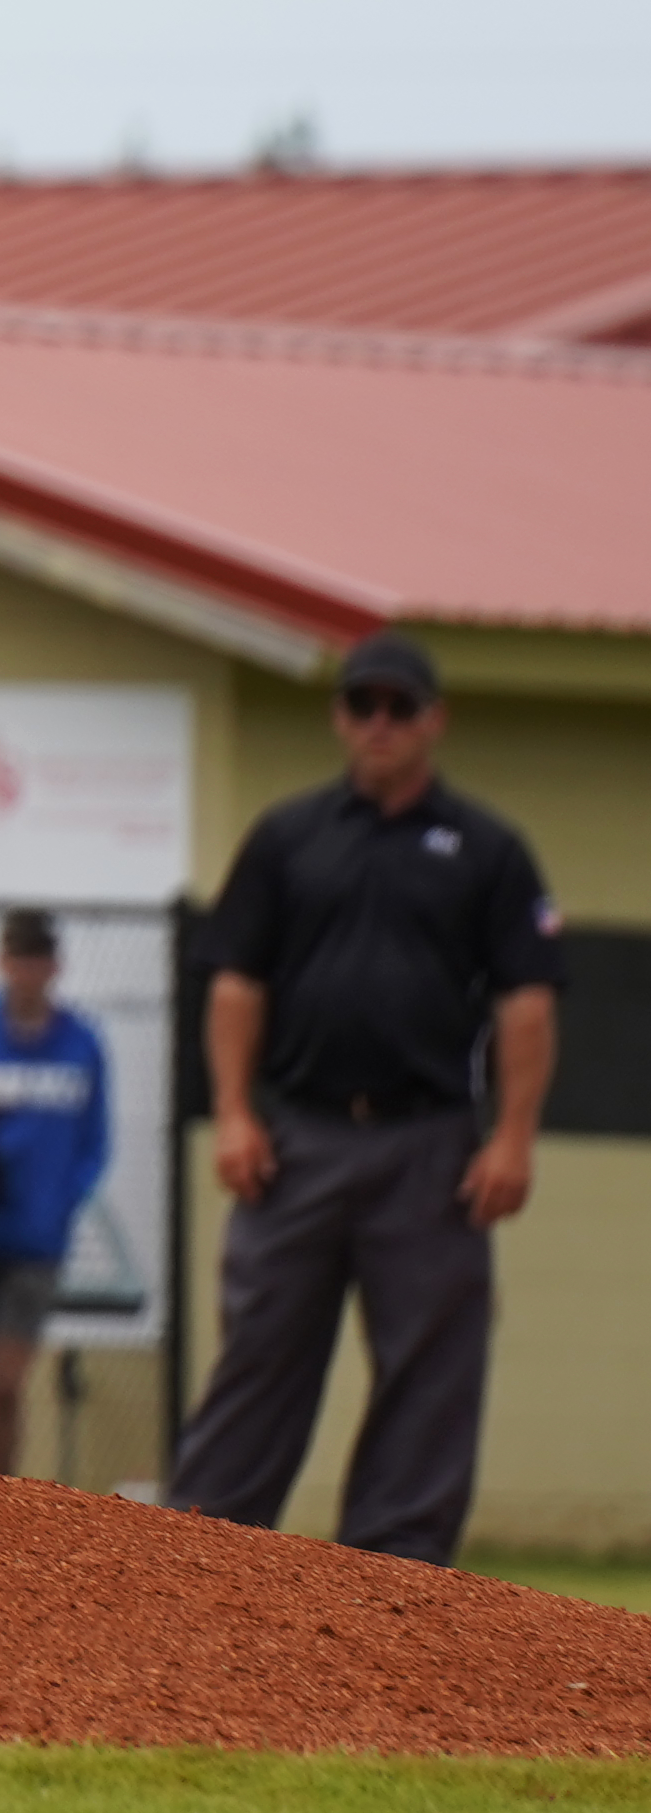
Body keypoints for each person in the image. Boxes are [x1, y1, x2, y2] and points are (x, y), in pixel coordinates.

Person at [169, 634, 561, 1563]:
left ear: (434, 719)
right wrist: (232, 1110)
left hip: (429, 1145)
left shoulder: (486, 847)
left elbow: (527, 999)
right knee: (259, 1350)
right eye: (362, 706)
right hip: (296, 1136)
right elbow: (234, 982)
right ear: (341, 717)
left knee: (430, 1366)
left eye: (399, 707)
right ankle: (196, 1556)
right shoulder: (287, 835)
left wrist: (511, 1137)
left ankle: (397, 1581)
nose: (379, 724)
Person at [0, 911, 109, 1477]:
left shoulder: (82, 1041)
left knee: (4, 1383)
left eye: (40, 959)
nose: (29, 972)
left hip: (38, 1240)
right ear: (3, 963)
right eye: (19, 959)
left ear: (54, 966)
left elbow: (94, 1142)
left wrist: (59, 1205)